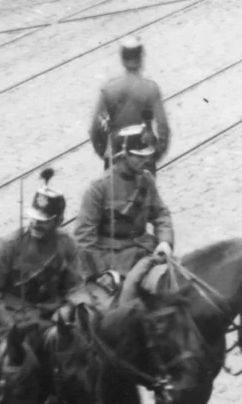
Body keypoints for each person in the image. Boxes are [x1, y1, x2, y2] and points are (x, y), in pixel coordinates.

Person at [0, 170, 89, 331]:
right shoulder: (8, 245)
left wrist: (69, 308)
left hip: (52, 313)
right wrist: (11, 326)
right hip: (16, 316)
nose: (35, 224)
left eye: (43, 221)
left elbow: (76, 287)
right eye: (34, 218)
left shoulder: (67, 244)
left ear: (59, 221)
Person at [72, 123, 175, 289]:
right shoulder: (99, 189)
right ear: (123, 155)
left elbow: (160, 214)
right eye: (138, 156)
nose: (145, 160)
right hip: (112, 260)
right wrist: (100, 273)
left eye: (146, 155)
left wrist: (165, 242)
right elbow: (84, 238)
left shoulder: (146, 180)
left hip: (144, 250)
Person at [91, 36, 172, 168]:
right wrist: (155, 155)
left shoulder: (109, 88)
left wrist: (105, 155)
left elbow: (95, 129)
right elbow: (163, 127)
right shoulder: (151, 89)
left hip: (116, 156)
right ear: (141, 59)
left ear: (122, 59)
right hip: (144, 155)